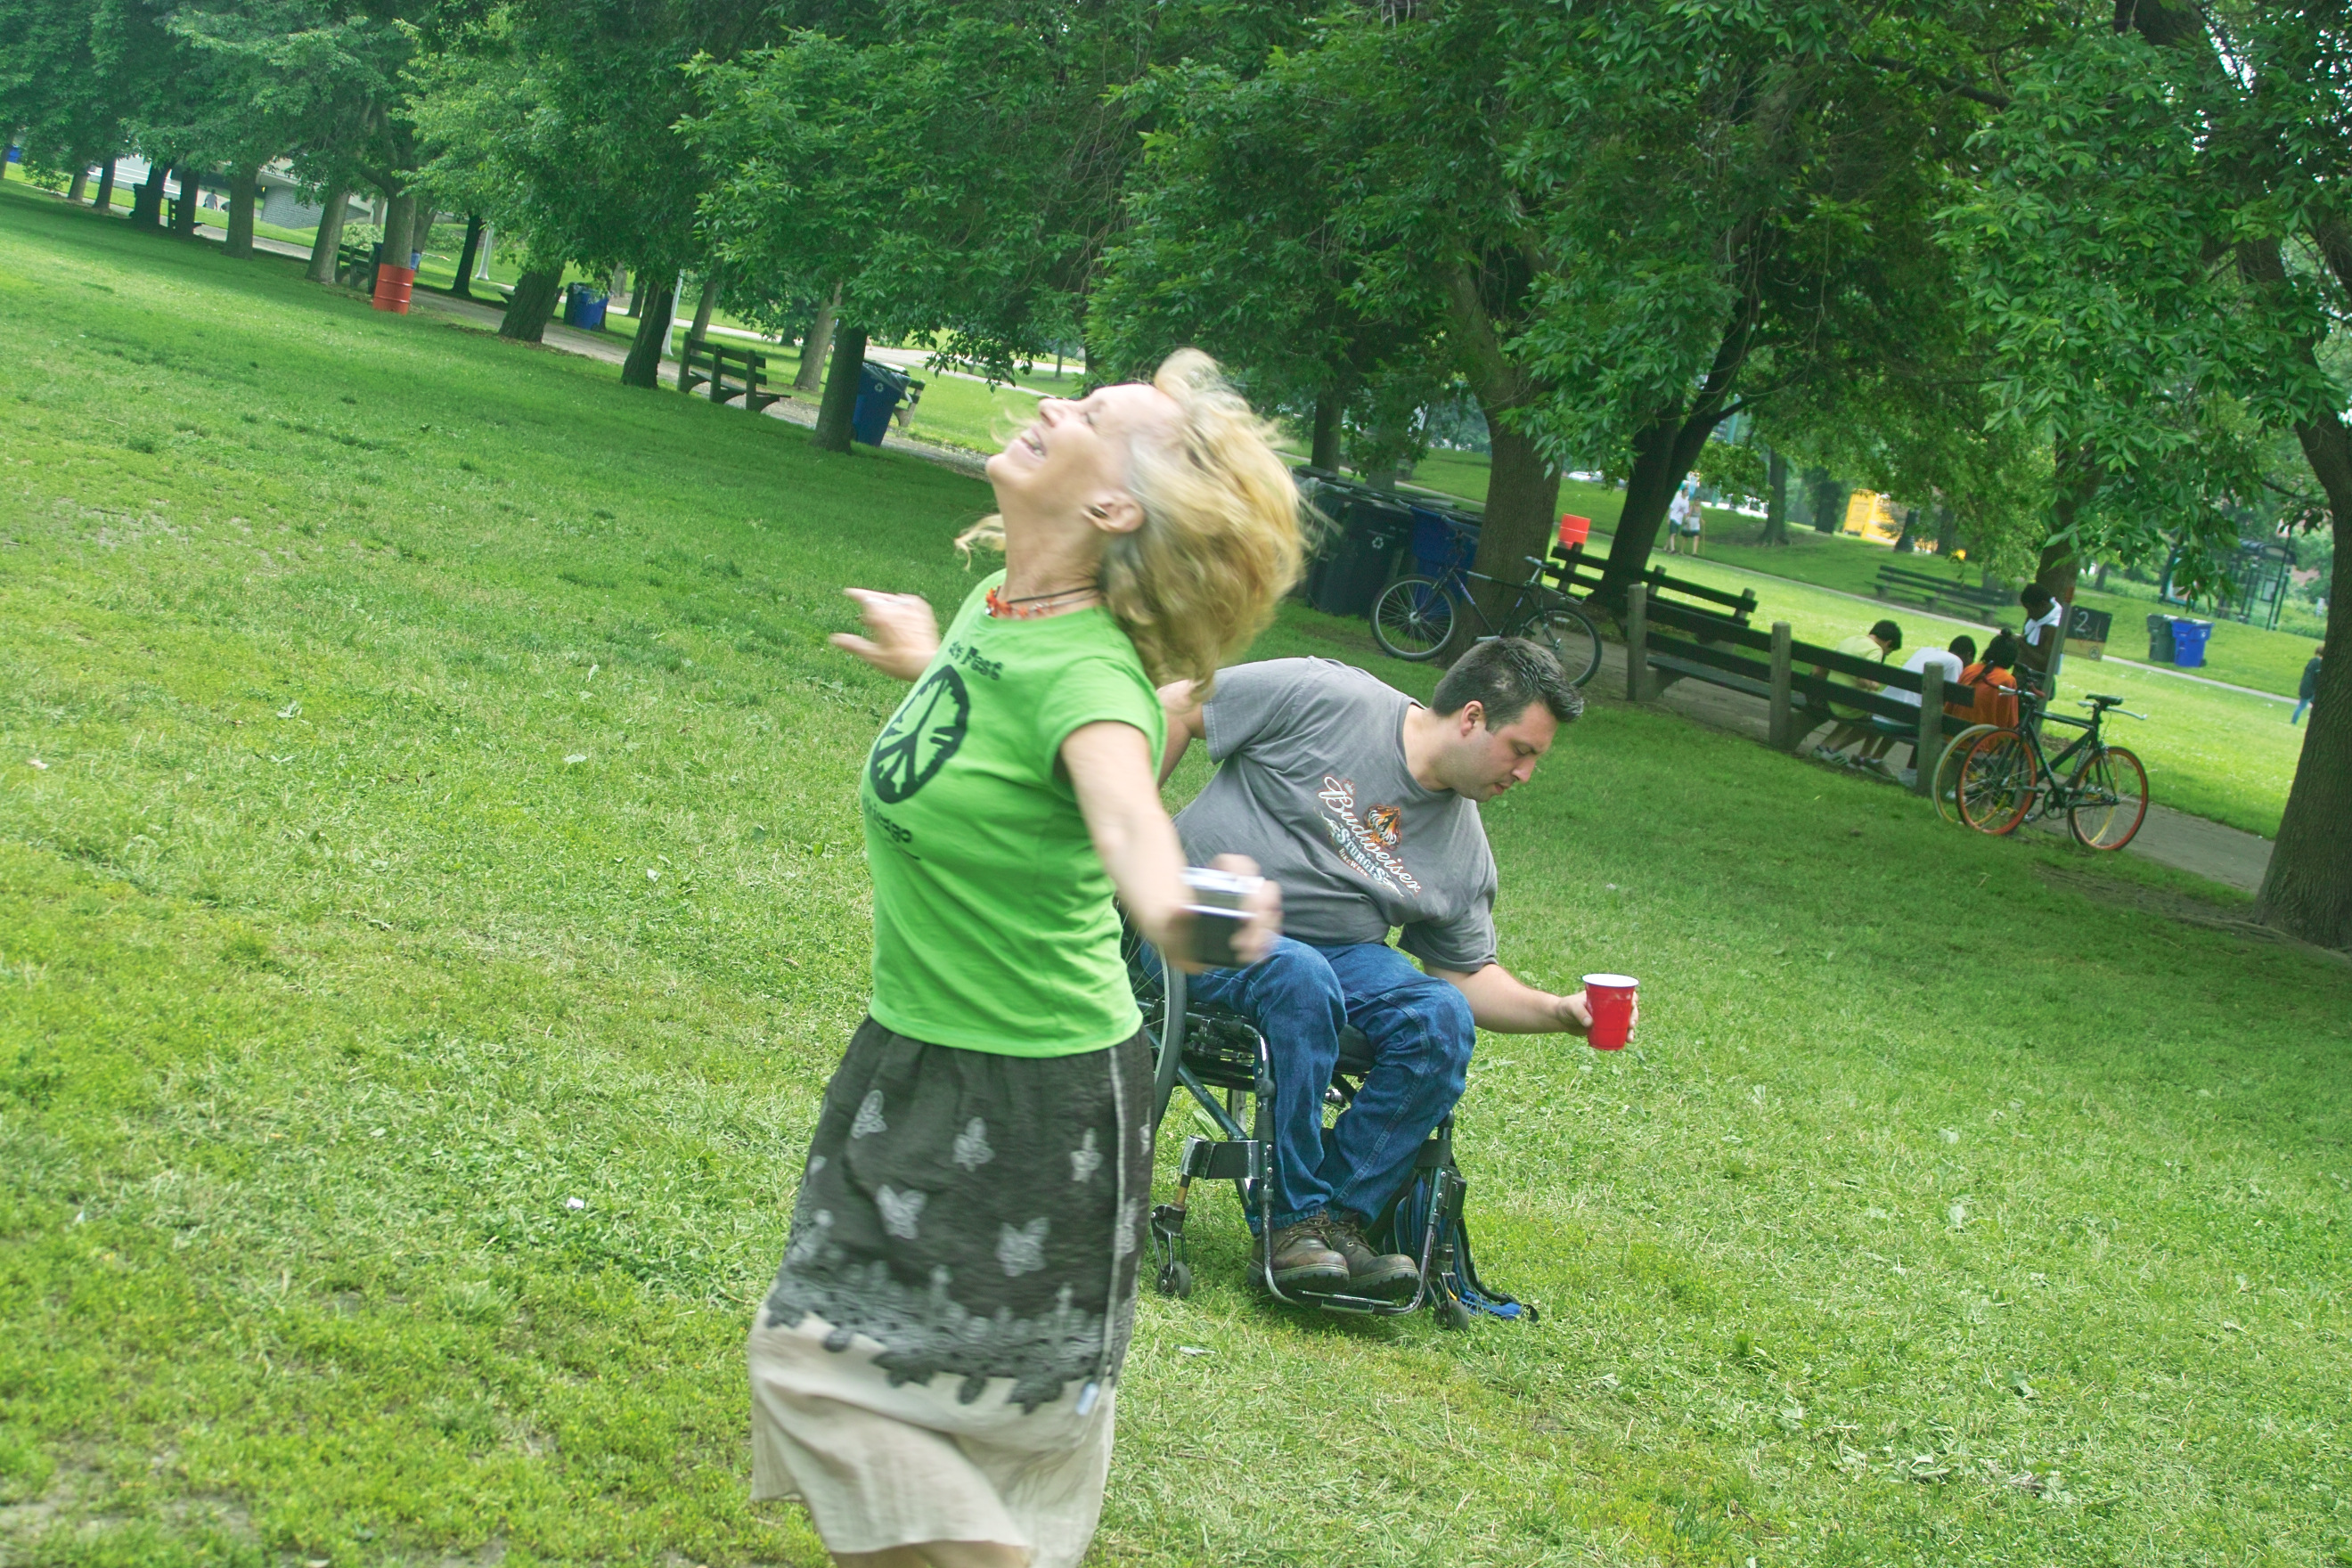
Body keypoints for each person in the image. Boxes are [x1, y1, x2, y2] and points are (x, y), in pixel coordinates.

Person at [747, 350, 1301, 1568]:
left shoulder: (1096, 689)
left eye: (1092, 414)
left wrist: (1211, 918)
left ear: (1113, 507)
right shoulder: (1001, 605)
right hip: (918, 1051)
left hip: (1035, 1092)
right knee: (939, 1395)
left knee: (839, 1369)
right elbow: (999, 712)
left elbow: (1146, 871)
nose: (1056, 405)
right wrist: (925, 658)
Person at [1156, 639, 1625, 1298]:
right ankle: (1291, 1223)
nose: (1525, 774)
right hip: (1200, 913)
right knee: (1301, 975)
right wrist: (1131, 839)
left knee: (1439, 1018)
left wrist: (1558, 1011)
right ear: (1471, 717)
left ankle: (1333, 1220)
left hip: (1335, 955)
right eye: (1521, 750)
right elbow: (1174, 706)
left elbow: (1465, 976)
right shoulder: (1325, 696)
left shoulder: (1463, 847)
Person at [1858, 633, 1973, 778]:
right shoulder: (1956, 662)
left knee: (1907, 708)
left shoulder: (1926, 651)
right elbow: (1951, 698)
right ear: (1969, 655)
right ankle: (1909, 772)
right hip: (1903, 720)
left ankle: (1871, 756)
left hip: (1881, 712)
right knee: (1929, 725)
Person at [1809, 619, 1901, 762]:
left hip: (1829, 698)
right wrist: (1875, 685)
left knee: (1859, 708)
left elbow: (1819, 671)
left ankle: (1823, 748)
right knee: (1880, 718)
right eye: (1888, 652)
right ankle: (1835, 751)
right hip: (1845, 706)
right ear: (1888, 643)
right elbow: (1864, 681)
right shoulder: (1875, 650)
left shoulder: (1849, 640)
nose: (1885, 654)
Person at [1952, 632, 2021, 730]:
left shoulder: (1970, 669)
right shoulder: (2007, 680)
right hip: (1981, 736)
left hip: (1953, 731)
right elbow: (2010, 721)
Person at [2017, 583, 2064, 688]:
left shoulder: (2054, 627)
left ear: (2042, 605)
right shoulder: (2039, 618)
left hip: (2036, 683)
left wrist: (2021, 644)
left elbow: (2047, 663)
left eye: (2030, 609)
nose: (2029, 614)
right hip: (2022, 677)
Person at [2292, 644, 2323, 725]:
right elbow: (2317, 676)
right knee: (2303, 705)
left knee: (2302, 705)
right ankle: (2294, 722)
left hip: (2305, 686)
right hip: (2311, 688)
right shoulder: (2319, 663)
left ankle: (2293, 721)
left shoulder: (2312, 661)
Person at [1663, 482, 1694, 555]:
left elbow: (1686, 513)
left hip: (1679, 520)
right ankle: (1672, 549)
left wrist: (1687, 521)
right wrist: (1668, 518)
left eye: (1688, 491)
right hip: (1673, 517)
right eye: (1686, 491)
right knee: (1673, 534)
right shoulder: (1677, 499)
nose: (1687, 492)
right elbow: (1671, 508)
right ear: (1683, 492)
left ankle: (1665, 547)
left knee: (1672, 534)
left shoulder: (1686, 502)